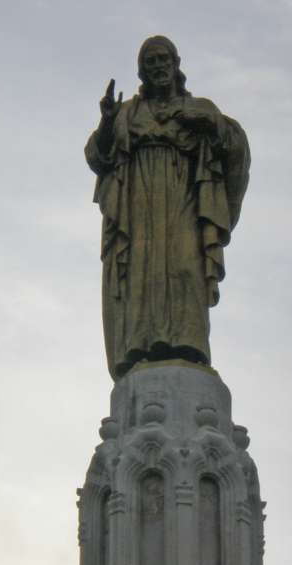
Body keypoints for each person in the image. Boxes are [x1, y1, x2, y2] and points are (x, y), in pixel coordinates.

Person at [86, 36, 250, 379]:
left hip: (184, 199)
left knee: (185, 266)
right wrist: (106, 121)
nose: (158, 66)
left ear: (176, 64)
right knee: (141, 274)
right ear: (142, 72)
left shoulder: (199, 108)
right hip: (138, 206)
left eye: (163, 59)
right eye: (150, 62)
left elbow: (234, 146)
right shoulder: (128, 113)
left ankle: (188, 345)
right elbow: (97, 157)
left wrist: (211, 124)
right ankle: (140, 347)